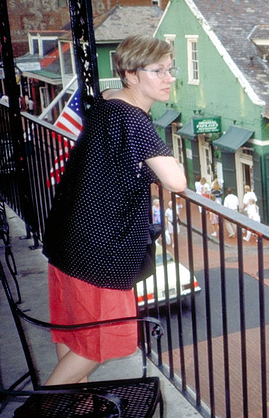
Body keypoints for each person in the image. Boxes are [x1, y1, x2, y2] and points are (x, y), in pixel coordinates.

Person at [41, 35, 186, 386]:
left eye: (171, 69)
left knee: (73, 332)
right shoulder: (133, 118)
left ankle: (78, 404)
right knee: (98, 344)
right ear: (131, 75)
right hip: (99, 250)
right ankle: (36, 411)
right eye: (158, 70)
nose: (169, 78)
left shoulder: (106, 102)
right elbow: (176, 181)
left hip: (66, 237)